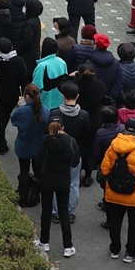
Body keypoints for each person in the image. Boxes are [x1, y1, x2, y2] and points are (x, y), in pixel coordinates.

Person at [99, 116, 135, 262]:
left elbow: (104, 169)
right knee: (134, 223)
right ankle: (131, 252)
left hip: (114, 191)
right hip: (134, 195)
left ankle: (114, 249)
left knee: (115, 222)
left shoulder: (113, 146)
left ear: (125, 129)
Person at [35, 119, 79, 259]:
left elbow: (38, 160)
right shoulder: (70, 141)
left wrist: (41, 175)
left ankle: (44, 242)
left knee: (46, 211)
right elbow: (75, 161)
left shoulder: (45, 142)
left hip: (47, 179)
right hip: (63, 180)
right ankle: (68, 246)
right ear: (63, 127)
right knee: (64, 212)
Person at [48, 82, 90, 223]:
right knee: (73, 183)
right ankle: (70, 212)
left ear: (62, 96)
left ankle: (55, 211)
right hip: (75, 154)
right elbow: (86, 135)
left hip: (56, 154)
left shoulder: (55, 114)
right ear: (77, 96)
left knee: (55, 182)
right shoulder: (84, 115)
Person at [0, 37, 28, 155]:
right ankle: (0, 138)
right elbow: (24, 80)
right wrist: (23, 96)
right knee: (5, 117)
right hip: (13, 95)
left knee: (1, 116)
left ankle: (0, 137)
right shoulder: (19, 61)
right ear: (11, 47)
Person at [11, 84, 49, 206]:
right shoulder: (46, 111)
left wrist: (21, 105)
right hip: (39, 147)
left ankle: (22, 197)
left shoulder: (21, 111)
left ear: (26, 96)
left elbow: (13, 120)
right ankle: (38, 194)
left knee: (24, 171)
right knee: (39, 172)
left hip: (24, 146)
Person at [85, 34, 123, 105]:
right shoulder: (116, 63)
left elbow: (87, 83)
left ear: (96, 45)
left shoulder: (89, 63)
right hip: (110, 103)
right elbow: (119, 83)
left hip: (94, 102)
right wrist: (111, 97)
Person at [32, 38, 68, 110]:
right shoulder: (62, 62)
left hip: (45, 105)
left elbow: (35, 88)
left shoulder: (42, 67)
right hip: (60, 104)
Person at [18, 0, 43, 80]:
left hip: (27, 56)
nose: (24, 8)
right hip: (34, 54)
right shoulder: (36, 20)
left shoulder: (29, 23)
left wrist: (17, 50)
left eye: (26, 6)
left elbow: (26, 41)